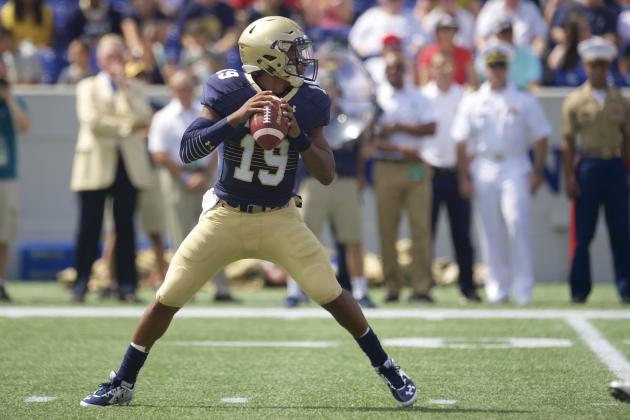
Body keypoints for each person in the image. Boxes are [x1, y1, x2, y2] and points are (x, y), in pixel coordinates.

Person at [80, 16, 418, 408]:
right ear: (268, 57)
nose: (301, 58)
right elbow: (188, 149)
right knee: (166, 297)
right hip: (226, 213)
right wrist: (235, 118)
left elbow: (325, 173)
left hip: (280, 217)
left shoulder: (310, 99)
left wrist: (300, 137)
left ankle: (388, 367)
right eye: (292, 50)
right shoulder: (228, 88)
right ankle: (122, 380)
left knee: (333, 294)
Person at [452, 41, 550, 305]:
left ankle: (524, 289)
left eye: (501, 65)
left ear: (508, 68)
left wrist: (538, 169)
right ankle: (497, 288)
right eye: (493, 65)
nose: (497, 70)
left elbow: (541, 136)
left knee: (517, 222)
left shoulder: (523, 99)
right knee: (489, 229)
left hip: (515, 165)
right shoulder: (473, 100)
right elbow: (460, 139)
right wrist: (463, 176)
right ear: (486, 68)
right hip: (483, 166)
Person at [70, 34, 154, 303]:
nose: (116, 62)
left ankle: (126, 286)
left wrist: (126, 90)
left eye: (120, 56)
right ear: (99, 59)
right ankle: (81, 283)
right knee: (89, 226)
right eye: (110, 57)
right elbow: (92, 121)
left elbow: (143, 116)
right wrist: (126, 126)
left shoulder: (135, 88)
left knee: (126, 226)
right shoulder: (87, 86)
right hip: (96, 163)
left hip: (127, 165)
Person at [284, 71, 376, 309]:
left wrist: (360, 172)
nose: (329, 94)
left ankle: (361, 290)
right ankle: (295, 290)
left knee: (353, 238)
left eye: (332, 89)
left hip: (344, 181)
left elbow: (362, 152)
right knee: (301, 239)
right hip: (313, 182)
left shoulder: (350, 119)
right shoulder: (307, 117)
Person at [149, 70, 237, 302]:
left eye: (188, 88)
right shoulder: (163, 117)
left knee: (214, 233)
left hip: (205, 176)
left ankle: (221, 288)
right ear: (172, 91)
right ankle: (182, 291)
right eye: (180, 89)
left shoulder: (203, 113)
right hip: (176, 177)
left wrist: (205, 172)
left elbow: (217, 143)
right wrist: (184, 177)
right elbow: (159, 154)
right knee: (179, 235)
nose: (184, 93)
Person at [561, 36, 630, 304]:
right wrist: (569, 175)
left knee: (621, 232)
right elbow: (567, 141)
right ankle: (579, 290)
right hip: (587, 165)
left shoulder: (621, 100)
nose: (598, 70)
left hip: (613, 165)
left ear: (609, 66)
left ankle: (626, 288)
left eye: (602, 65)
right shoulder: (575, 100)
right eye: (593, 65)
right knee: (583, 234)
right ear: (585, 66)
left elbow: (627, 139)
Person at [373, 50, 437, 303]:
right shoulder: (376, 97)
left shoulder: (418, 96)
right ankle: (392, 286)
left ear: (406, 70)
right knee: (387, 229)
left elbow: (431, 127)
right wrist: (401, 148)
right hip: (388, 165)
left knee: (420, 227)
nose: (394, 72)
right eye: (390, 68)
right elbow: (371, 137)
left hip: (416, 167)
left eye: (399, 67)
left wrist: (398, 127)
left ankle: (421, 286)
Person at [421, 52, 478, 303]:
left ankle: (468, 286)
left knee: (462, 234)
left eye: (447, 66)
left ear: (454, 68)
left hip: (456, 172)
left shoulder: (464, 96)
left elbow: (471, 136)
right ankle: (424, 286)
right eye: (437, 66)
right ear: (430, 70)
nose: (443, 70)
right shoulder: (422, 96)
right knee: (426, 232)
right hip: (429, 171)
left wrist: (467, 170)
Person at [0, 58, 29, 302]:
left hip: (6, 175)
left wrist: (8, 97)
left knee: (4, 231)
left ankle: (0, 281)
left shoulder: (14, 99)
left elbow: (24, 125)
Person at [475, 15, 542, 90]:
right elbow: (477, 81)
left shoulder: (529, 55)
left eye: (508, 33)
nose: (505, 37)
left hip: (520, 98)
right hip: (492, 97)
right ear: (495, 35)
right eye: (501, 34)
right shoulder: (486, 55)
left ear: (513, 33)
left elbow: (534, 85)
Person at [416, 13, 475, 86]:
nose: (446, 34)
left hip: (459, 94)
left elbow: (473, 82)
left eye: (449, 30)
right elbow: (423, 83)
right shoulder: (427, 52)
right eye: (443, 30)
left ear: (454, 32)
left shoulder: (464, 53)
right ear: (437, 33)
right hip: (433, 95)